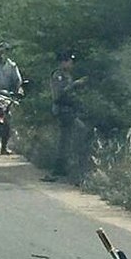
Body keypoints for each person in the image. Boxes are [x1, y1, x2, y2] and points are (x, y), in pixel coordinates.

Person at [47, 51, 87, 180]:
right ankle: (74, 165)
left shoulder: (67, 75)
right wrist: (75, 84)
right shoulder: (58, 75)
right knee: (79, 131)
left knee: (65, 140)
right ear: (63, 62)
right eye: (70, 61)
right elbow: (58, 94)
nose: (71, 64)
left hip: (69, 110)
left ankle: (61, 167)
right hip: (63, 110)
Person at [0, 42, 23, 156]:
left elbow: (18, 81)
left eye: (6, 50)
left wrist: (18, 91)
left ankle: (4, 147)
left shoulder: (11, 66)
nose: (3, 52)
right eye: (1, 49)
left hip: (6, 96)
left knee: (7, 122)